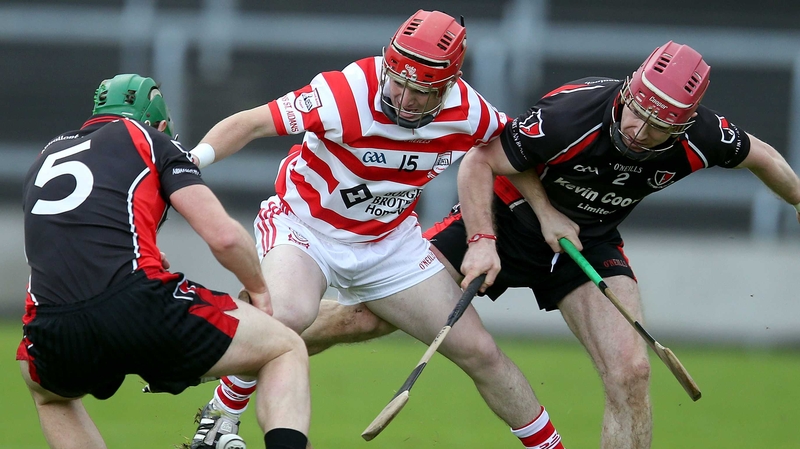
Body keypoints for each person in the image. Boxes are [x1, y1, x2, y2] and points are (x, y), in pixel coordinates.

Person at [300, 40, 800, 449]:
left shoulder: (705, 136)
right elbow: (480, 161)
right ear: (629, 90)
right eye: (637, 113)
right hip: (503, 217)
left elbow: (764, 157)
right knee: (361, 318)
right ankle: (266, 343)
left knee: (630, 372)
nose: (639, 131)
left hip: (587, 242)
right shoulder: (569, 115)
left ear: (684, 125)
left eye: (659, 128)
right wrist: (488, 237)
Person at [187, 9, 566, 449]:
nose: (405, 100)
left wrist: (544, 214)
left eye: (422, 92)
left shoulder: (468, 110)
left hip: (389, 243)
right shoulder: (344, 93)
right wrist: (190, 164)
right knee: (287, 316)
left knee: (480, 351)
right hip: (305, 228)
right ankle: (220, 417)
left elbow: (512, 153)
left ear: (449, 85)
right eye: (398, 83)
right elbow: (249, 123)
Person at [17, 74, 311, 449]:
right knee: (284, 347)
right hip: (135, 304)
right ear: (157, 122)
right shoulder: (148, 138)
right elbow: (225, 237)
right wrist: (260, 291)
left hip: (52, 326)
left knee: (49, 394)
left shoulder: (45, 156)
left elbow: (68, 245)